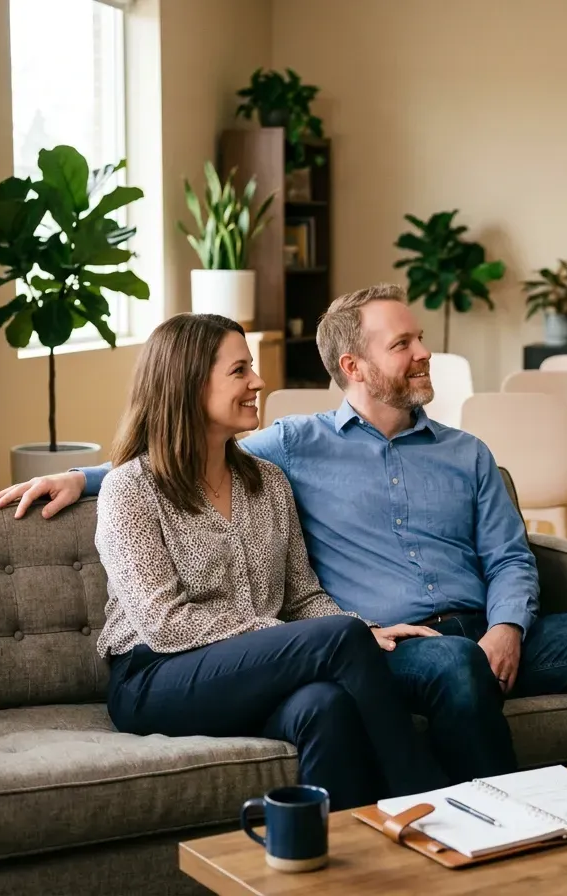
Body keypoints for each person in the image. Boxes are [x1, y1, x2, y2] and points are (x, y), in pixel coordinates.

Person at [0, 285, 567, 785]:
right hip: (178, 664)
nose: (424, 352)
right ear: (354, 366)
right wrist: (80, 477)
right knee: (440, 662)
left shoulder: (271, 480)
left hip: (448, 631)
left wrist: (502, 625)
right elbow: (168, 599)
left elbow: (308, 597)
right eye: (404, 343)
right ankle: (464, 802)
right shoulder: (286, 447)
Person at [86, 311, 447, 811]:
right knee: (338, 640)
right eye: (239, 371)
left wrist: (365, 627)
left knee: (326, 706)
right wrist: (297, 638)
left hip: (248, 671)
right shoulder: (131, 489)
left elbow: (302, 596)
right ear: (188, 385)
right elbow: (165, 625)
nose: (258, 381)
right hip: (153, 677)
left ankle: (339, 866)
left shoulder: (268, 483)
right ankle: (432, 806)